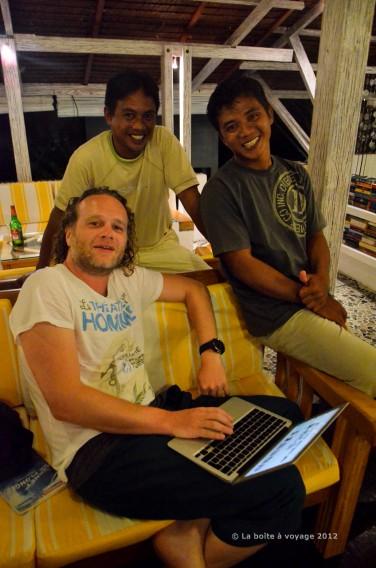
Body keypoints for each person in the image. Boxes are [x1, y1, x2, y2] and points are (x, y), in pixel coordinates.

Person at [10, 187, 305, 568]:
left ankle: (188, 522)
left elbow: (194, 291)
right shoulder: (47, 287)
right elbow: (66, 400)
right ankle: (188, 552)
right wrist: (174, 422)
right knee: (284, 488)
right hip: (100, 453)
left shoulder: (126, 279)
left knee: (286, 416)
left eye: (117, 227)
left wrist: (210, 354)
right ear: (69, 233)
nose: (108, 233)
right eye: (94, 223)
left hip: (154, 415)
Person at [200, 74, 376, 398]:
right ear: (224, 138)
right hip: (274, 314)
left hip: (307, 297)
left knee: (351, 371)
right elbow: (242, 265)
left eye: (252, 116)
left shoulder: (295, 172)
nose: (246, 132)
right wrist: (309, 297)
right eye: (231, 126)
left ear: (269, 113)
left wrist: (322, 282)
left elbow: (315, 236)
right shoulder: (221, 190)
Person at [37, 69, 209, 273]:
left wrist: (226, 254)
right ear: (108, 116)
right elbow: (59, 219)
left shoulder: (163, 143)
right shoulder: (86, 158)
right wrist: (39, 272)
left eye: (148, 116)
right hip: (106, 255)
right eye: (129, 115)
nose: (139, 126)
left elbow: (193, 202)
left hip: (159, 250)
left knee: (208, 281)